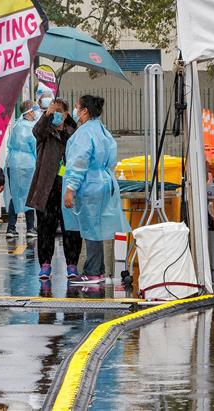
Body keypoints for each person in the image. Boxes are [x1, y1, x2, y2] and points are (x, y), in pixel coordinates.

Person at [63, 95, 131, 284]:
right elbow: (111, 158)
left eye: (77, 107)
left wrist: (70, 189)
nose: (76, 110)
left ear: (84, 110)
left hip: (89, 186)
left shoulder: (84, 133)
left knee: (91, 228)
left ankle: (92, 271)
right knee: (97, 227)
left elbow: (79, 162)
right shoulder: (102, 130)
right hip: (103, 181)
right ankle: (98, 270)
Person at [27, 97, 82, 280]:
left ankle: (72, 264)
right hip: (46, 187)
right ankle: (45, 264)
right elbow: (36, 131)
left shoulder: (74, 133)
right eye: (53, 110)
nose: (56, 114)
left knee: (71, 228)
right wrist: (46, 115)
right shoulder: (45, 131)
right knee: (45, 228)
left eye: (59, 111)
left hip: (67, 186)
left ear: (66, 114)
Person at [5, 101, 39, 238]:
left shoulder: (17, 125)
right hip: (28, 164)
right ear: (30, 111)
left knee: (16, 195)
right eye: (34, 109)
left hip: (12, 163)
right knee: (29, 195)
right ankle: (30, 228)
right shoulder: (32, 128)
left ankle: (11, 228)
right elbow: (35, 148)